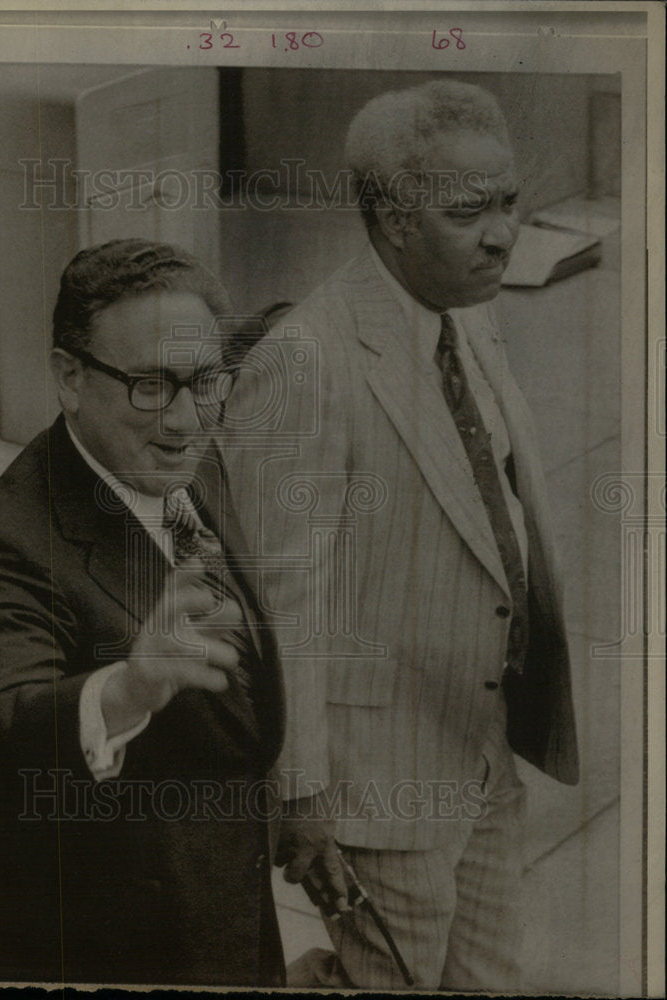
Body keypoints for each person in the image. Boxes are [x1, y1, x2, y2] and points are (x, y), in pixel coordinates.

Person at [223, 80, 579, 991]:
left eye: (508, 201)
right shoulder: (305, 366)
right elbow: (280, 606)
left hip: (484, 749)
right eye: (470, 213)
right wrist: (299, 799)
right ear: (389, 221)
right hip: (372, 783)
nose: (503, 232)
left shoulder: (468, 309)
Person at [0, 238, 286, 987]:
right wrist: (124, 692)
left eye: (205, 381)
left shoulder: (184, 449)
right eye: (153, 385)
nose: (188, 419)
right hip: (109, 944)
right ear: (69, 377)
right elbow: (4, 722)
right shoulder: (4, 545)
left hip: (227, 913)